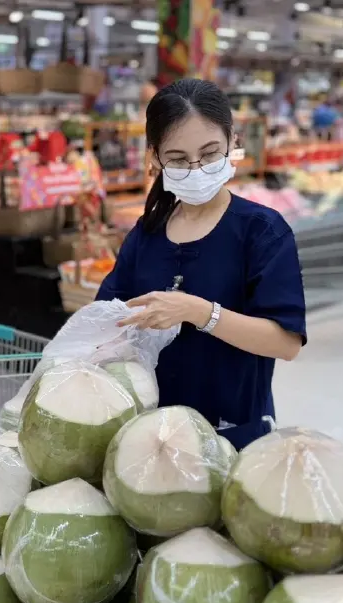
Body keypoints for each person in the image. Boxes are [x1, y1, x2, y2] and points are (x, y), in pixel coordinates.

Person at [95, 79, 307, 449]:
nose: (196, 169)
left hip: (231, 436)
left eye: (210, 153)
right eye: (177, 159)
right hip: (150, 437)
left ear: (232, 142)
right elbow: (107, 319)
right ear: (155, 158)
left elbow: (285, 343)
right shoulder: (147, 234)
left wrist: (199, 311)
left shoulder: (262, 232)